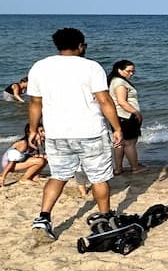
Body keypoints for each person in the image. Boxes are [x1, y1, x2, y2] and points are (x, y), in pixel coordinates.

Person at [25, 28, 123, 241]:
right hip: (91, 132)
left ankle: (43, 218)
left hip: (57, 133)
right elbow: (105, 100)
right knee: (99, 177)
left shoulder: (40, 67)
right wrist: (117, 128)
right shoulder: (91, 67)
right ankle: (105, 217)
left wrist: (33, 129)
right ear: (80, 45)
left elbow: (35, 102)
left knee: (58, 175)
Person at [108, 59, 145, 175]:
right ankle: (135, 167)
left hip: (117, 116)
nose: (131, 74)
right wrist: (136, 113)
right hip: (126, 116)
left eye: (133, 72)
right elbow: (122, 102)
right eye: (128, 71)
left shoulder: (114, 81)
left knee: (119, 142)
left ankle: (118, 168)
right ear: (119, 70)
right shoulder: (120, 83)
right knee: (130, 143)